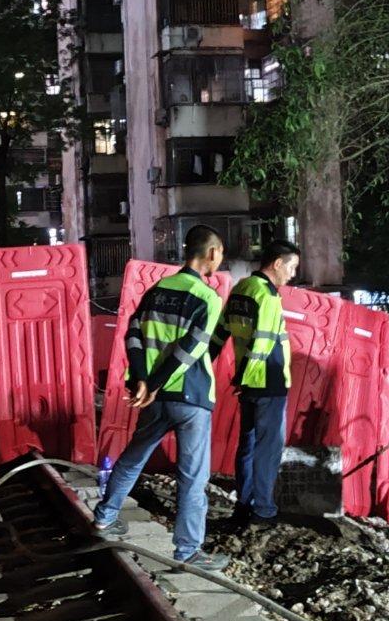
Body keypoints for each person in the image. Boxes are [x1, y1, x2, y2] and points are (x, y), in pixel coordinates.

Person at [92, 225, 229, 571]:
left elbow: (132, 335)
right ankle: (187, 551)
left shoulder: (157, 290)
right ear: (211, 254)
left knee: (134, 457)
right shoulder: (209, 298)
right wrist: (154, 382)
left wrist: (142, 379)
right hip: (190, 396)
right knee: (192, 476)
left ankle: (105, 517)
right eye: (221, 254)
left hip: (152, 398)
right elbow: (191, 349)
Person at [212, 239, 299, 528]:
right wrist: (246, 376)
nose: (293, 274)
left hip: (248, 385)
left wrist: (233, 375)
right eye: (292, 267)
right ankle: (263, 510)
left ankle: (244, 505)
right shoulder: (268, 296)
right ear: (277, 264)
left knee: (247, 446)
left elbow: (220, 332)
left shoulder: (241, 289)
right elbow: (262, 342)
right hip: (268, 382)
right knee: (268, 449)